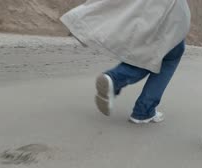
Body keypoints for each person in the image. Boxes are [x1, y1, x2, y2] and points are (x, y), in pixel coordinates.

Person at [61, 0, 191, 124]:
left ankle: (119, 83)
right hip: (169, 12)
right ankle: (133, 98)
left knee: (152, 51)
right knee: (166, 54)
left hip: (145, 10)